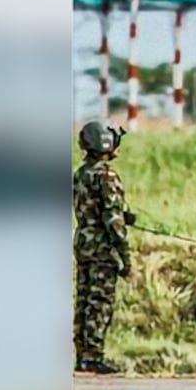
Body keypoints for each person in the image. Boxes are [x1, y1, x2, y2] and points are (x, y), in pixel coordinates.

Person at [73, 122, 136, 374]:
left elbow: (92, 209)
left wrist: (122, 215)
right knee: (100, 302)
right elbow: (112, 220)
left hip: (83, 245)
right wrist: (126, 259)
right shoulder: (106, 176)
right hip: (102, 249)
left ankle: (82, 354)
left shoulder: (81, 174)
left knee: (84, 300)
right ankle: (93, 356)